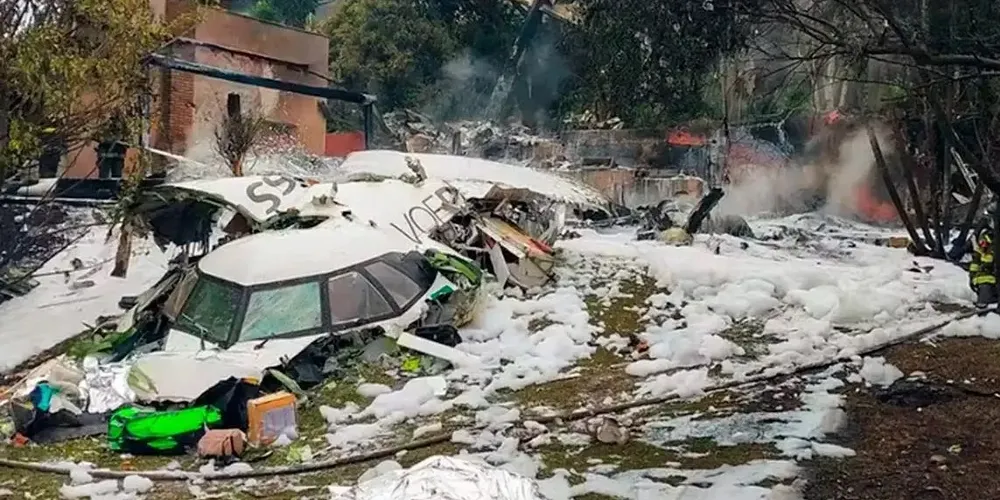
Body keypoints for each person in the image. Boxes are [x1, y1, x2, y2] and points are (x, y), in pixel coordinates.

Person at [968, 221, 998, 307]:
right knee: (985, 284)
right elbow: (976, 262)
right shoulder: (985, 241)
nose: (983, 245)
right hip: (985, 280)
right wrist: (972, 276)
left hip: (992, 280)